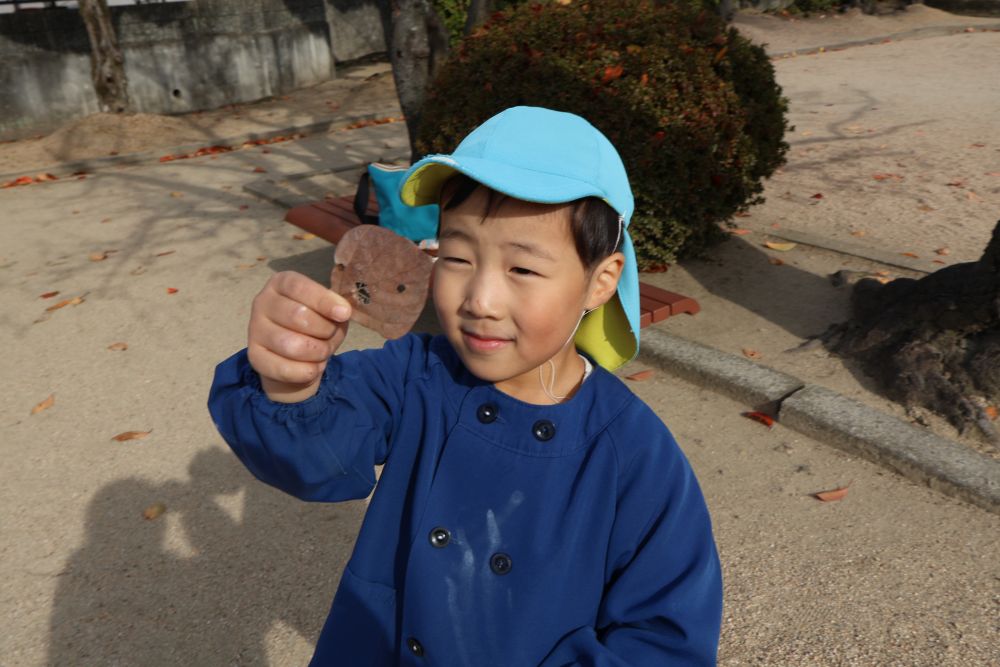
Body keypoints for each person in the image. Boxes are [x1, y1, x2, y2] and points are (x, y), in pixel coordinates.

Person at [209, 106, 723, 665]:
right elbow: (316, 454)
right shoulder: (414, 375)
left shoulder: (636, 456)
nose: (479, 300)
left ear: (600, 282)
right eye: (456, 257)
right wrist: (289, 383)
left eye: (522, 269)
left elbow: (665, 639)